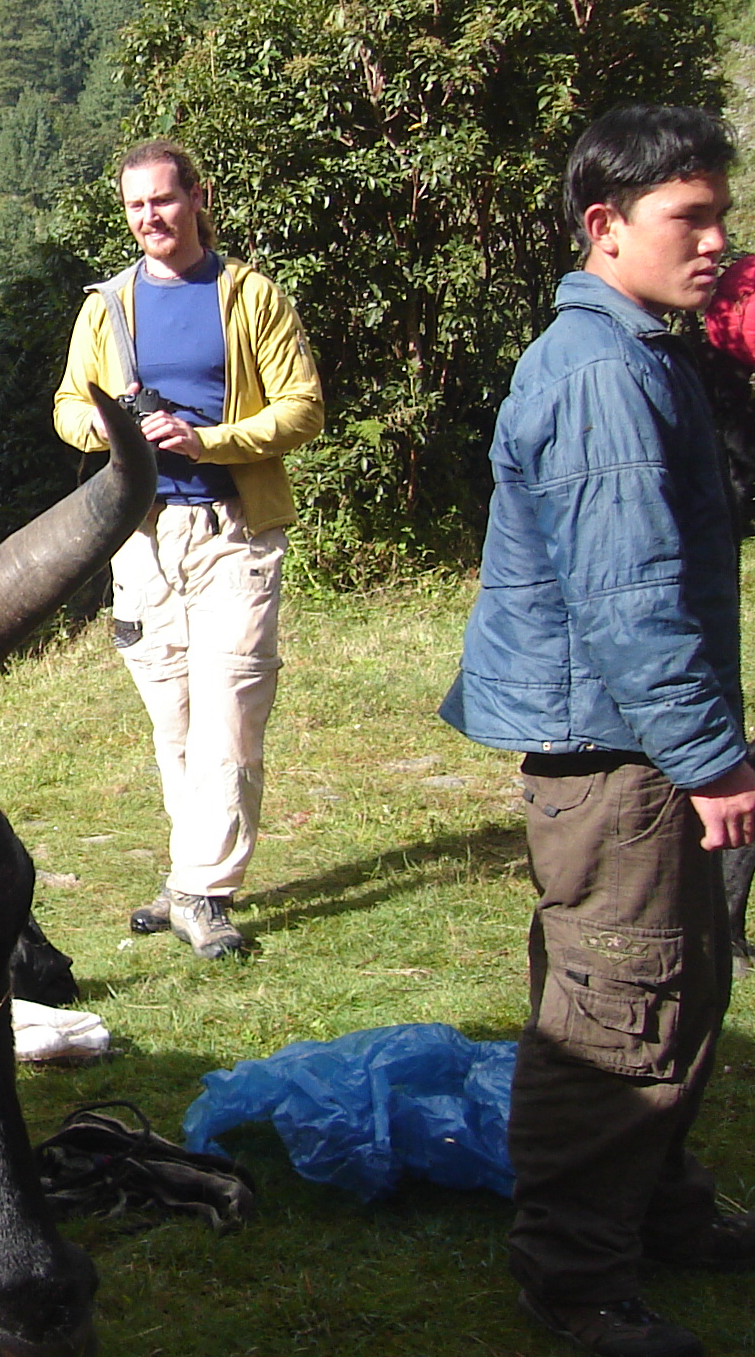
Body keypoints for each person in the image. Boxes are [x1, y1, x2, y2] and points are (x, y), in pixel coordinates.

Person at [442, 103, 755, 1357]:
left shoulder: (644, 351)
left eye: (724, 213)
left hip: (638, 744)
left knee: (673, 990)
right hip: (620, 752)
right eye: (692, 217)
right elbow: (631, 602)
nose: (720, 241)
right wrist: (715, 762)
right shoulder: (601, 377)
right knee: (617, 1010)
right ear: (604, 225)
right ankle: (573, 1280)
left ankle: (661, 1212)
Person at [53, 139, 324, 958]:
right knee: (173, 718)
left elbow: (303, 409)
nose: (150, 219)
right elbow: (67, 407)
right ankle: (186, 878)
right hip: (138, 543)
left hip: (232, 533)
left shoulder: (250, 296)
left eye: (163, 202)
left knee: (230, 715)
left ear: (198, 199)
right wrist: (104, 424)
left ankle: (206, 891)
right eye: (136, 207)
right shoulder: (107, 306)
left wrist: (209, 441)